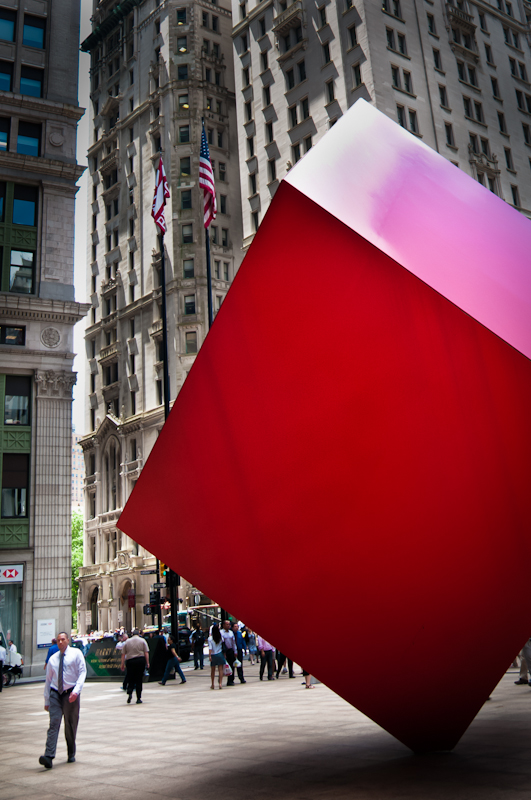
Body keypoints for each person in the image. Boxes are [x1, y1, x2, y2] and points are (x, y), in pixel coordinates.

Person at [39, 631, 86, 769]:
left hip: (71, 693)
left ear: (68, 640)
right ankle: (48, 756)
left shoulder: (76, 653)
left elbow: (82, 672)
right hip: (55, 694)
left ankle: (71, 753)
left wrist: (76, 691)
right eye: (58, 640)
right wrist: (47, 700)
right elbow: (48, 681)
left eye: (63, 639)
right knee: (54, 723)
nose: (60, 642)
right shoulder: (53, 659)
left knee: (70, 724)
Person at [121, 628, 149, 704]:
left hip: (130, 661)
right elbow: (146, 652)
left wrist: (122, 664)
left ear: (132, 634)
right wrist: (148, 663)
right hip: (140, 660)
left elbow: (123, 654)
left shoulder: (127, 641)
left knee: (131, 677)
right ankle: (138, 698)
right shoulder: (142, 640)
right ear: (139, 634)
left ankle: (130, 692)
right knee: (139, 679)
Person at [220, 619, 238, 686]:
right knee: (223, 666)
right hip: (224, 650)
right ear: (223, 625)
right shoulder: (221, 632)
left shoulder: (231, 632)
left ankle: (231, 680)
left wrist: (235, 651)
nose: (228, 626)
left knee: (231, 665)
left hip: (230, 650)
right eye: (227, 624)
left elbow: (233, 643)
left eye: (229, 624)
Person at [208, 624, 226, 690]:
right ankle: (220, 683)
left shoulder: (210, 639)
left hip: (213, 654)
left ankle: (212, 684)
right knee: (220, 669)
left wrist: (209, 656)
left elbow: (210, 648)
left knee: (213, 670)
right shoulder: (221, 638)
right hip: (220, 654)